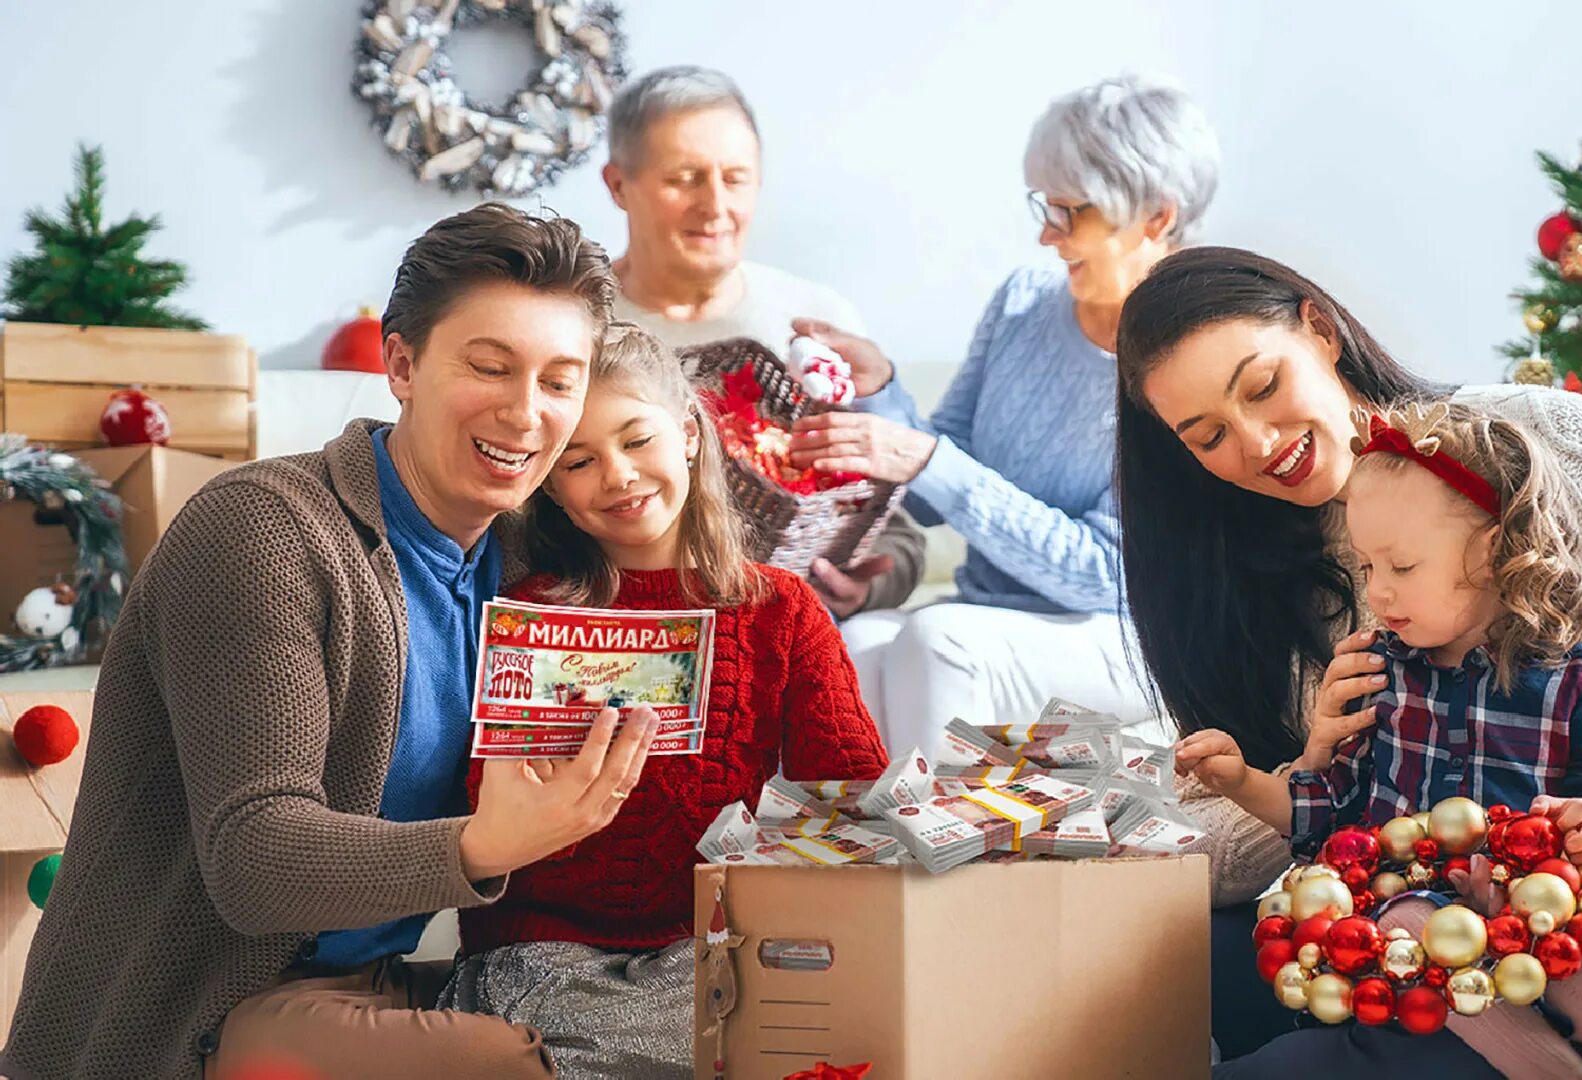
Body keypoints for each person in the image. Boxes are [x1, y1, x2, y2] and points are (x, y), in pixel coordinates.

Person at [0, 205, 660, 1080]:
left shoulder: (524, 556)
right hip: (201, 1008)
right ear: (401, 364)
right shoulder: (261, 532)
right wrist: (485, 845)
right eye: (490, 367)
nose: (525, 413)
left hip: (379, 981)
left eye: (558, 382)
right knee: (510, 1066)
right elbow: (255, 861)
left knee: (675, 1025)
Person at [1110, 247, 1582, 1071]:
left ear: (1320, 330)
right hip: (1394, 946)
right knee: (1168, 971)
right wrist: (1311, 761)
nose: (1258, 442)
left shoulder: (1538, 443)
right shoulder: (1255, 568)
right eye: (1207, 437)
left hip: (1578, 955)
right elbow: (1318, 819)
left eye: (1263, 386)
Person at [439, 322, 888, 1079]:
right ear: (550, 483)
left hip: (712, 940)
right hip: (542, 949)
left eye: (636, 440)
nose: (616, 475)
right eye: (578, 461)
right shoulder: (526, 612)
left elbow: (849, 792)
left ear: (687, 434)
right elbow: (491, 810)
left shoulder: (779, 608)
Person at [1181, 400, 1582, 1076]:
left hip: (1537, 920)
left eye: (1401, 567)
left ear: (1490, 554)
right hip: (1404, 933)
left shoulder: (1580, 679)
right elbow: (1327, 813)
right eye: (1368, 568)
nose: (1378, 594)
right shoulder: (1381, 672)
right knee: (1409, 925)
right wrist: (1240, 781)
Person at [787, 73, 1221, 752]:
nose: (1047, 236)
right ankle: (862, 855)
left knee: (940, 640)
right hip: (991, 614)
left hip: (1126, 631)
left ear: (1157, 218)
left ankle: (952, 853)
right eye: (1042, 207)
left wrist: (929, 461)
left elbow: (1096, 573)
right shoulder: (1022, 304)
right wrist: (885, 386)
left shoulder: (1186, 362)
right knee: (857, 642)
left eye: (1070, 211)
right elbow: (934, 498)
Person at [600, 64, 924, 619]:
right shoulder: (578, 323)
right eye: (684, 178)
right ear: (618, 186)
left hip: (781, 633)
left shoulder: (816, 324)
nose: (715, 205)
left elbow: (893, 525)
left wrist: (868, 589)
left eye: (735, 177)